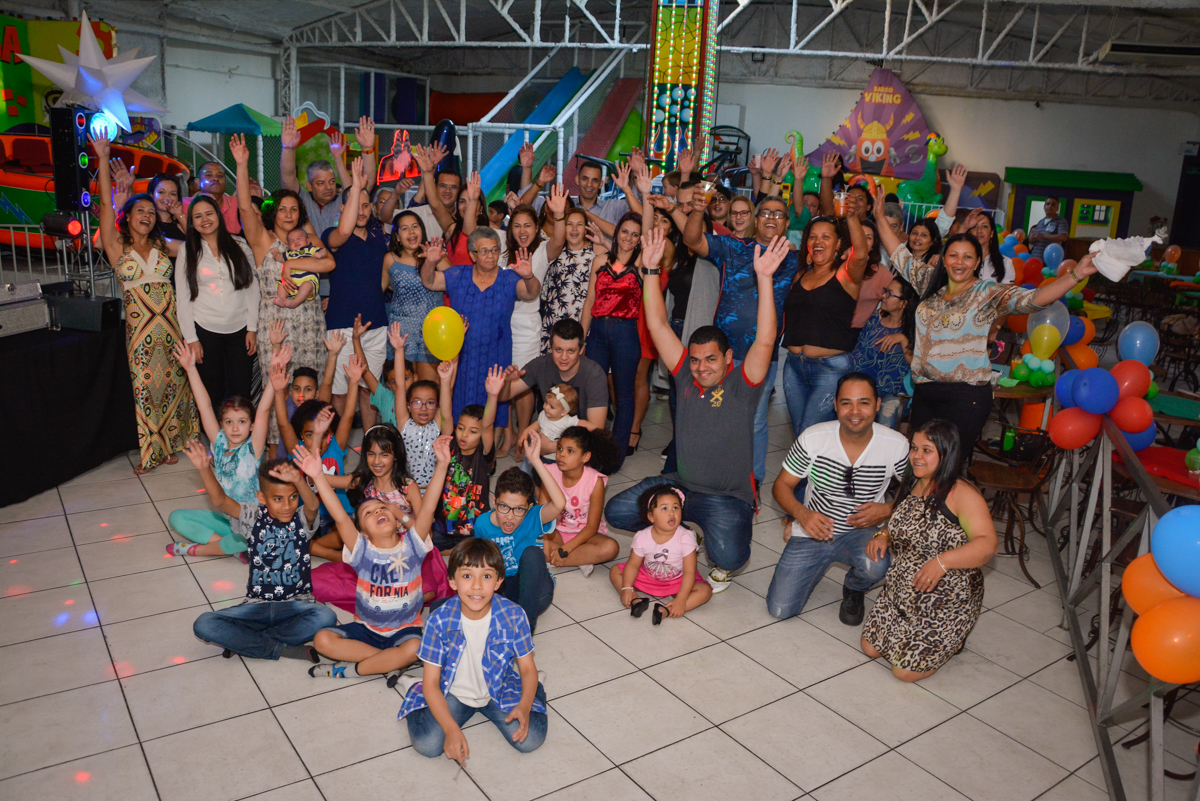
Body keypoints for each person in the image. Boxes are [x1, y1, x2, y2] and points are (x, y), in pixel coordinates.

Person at [606, 229, 789, 592]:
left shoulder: (743, 382)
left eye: (710, 360)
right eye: (694, 360)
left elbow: (766, 339)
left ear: (728, 359)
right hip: (679, 488)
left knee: (731, 557)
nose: (701, 367)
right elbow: (657, 323)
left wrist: (765, 279)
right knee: (618, 512)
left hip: (727, 497)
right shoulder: (685, 378)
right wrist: (651, 272)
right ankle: (685, 530)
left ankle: (706, 537)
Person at [873, 189, 1100, 451]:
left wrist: (1076, 274)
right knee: (922, 462)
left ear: (977, 261)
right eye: (953, 255)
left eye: (967, 256)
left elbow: (1034, 299)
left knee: (950, 468)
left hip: (965, 396)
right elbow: (898, 253)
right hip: (925, 391)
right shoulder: (927, 282)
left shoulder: (986, 293)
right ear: (944, 260)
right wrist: (879, 215)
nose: (959, 262)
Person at [765, 373, 910, 623]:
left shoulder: (896, 445)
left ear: (877, 405)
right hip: (813, 529)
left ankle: (854, 587)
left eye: (864, 402)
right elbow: (780, 486)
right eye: (846, 403)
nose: (855, 411)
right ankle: (805, 547)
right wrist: (802, 515)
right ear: (835, 405)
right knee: (780, 610)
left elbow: (920, 492)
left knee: (877, 564)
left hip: (860, 532)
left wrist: (888, 510)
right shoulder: (814, 437)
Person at [300, 433, 445, 681]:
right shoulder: (362, 550)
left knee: (415, 648)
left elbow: (428, 508)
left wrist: (442, 464)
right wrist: (317, 477)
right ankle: (388, 661)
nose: (378, 510)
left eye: (382, 508)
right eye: (369, 512)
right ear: (363, 532)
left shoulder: (413, 545)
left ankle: (352, 670)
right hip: (366, 629)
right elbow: (340, 517)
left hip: (405, 630)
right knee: (322, 639)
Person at [861, 420, 999, 681]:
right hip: (900, 594)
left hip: (944, 601)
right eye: (914, 448)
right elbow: (903, 518)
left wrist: (943, 562)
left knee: (903, 673)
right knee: (870, 649)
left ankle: (954, 637)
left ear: (946, 454)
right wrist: (883, 534)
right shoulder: (915, 480)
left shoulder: (962, 494)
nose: (916, 456)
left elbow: (988, 543)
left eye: (927, 450)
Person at [679, 186, 799, 484]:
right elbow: (691, 239)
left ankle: (752, 479)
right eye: (766, 213)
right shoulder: (732, 248)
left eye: (779, 214)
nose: (771, 218)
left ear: (786, 224)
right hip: (723, 354)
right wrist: (697, 209)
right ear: (756, 221)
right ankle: (711, 471)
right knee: (716, 414)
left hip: (763, 354)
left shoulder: (794, 259)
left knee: (755, 420)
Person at [93, 133, 196, 474]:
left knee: (174, 386)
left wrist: (179, 215)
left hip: (172, 325)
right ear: (129, 214)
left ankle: (171, 446)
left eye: (152, 212)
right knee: (146, 388)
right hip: (140, 329)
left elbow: (197, 248)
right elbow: (106, 207)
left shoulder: (163, 245)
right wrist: (103, 159)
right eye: (141, 210)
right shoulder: (116, 245)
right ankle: (149, 452)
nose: (148, 215)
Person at [399, 538, 548, 761]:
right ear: (452, 581)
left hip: (497, 689)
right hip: (452, 692)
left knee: (530, 740)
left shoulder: (514, 615)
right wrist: (450, 729)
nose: (477, 585)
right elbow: (431, 683)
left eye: (486, 576)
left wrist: (525, 706)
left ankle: (537, 690)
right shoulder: (439, 620)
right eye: (467, 576)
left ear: (498, 581)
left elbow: (527, 669)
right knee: (427, 745)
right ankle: (413, 688)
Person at [187, 442, 337, 662]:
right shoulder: (252, 517)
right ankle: (280, 648)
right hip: (256, 607)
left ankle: (245, 642)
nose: (287, 505)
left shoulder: (301, 520)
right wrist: (204, 469)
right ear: (262, 498)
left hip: (296, 606)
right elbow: (220, 500)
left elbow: (313, 506)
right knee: (204, 623)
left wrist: (298, 480)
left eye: (293, 497)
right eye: (278, 499)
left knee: (326, 616)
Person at [232, 134, 334, 446]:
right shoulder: (263, 241)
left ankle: (314, 452)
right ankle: (277, 458)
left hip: (311, 323)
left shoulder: (307, 239)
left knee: (309, 389)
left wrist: (293, 264)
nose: (289, 214)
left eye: (294, 209)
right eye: (283, 209)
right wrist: (241, 163)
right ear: (273, 213)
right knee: (278, 387)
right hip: (277, 326)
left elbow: (329, 263)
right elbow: (245, 210)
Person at [166, 343, 281, 558]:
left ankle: (198, 550)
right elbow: (205, 406)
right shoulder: (218, 442)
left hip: (251, 520)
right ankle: (230, 547)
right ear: (222, 423)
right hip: (226, 520)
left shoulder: (252, 448)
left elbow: (263, 410)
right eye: (228, 422)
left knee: (255, 537)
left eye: (242, 421)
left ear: (252, 425)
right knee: (176, 517)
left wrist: (273, 384)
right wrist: (191, 369)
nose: (235, 428)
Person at [421, 227, 541, 426]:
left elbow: (531, 293)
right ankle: (458, 451)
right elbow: (429, 281)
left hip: (496, 354)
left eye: (494, 250)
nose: (491, 255)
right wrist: (430, 262)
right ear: (472, 255)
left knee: (492, 405)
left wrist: (528, 276)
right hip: (463, 355)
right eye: (484, 251)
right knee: (459, 405)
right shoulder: (459, 275)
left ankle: (487, 453)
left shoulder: (508, 279)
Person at [782, 207, 870, 437]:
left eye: (825, 237)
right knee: (803, 436)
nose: (818, 241)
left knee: (807, 437)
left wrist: (851, 216)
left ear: (838, 243)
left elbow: (861, 254)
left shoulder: (845, 275)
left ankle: (805, 475)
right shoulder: (801, 275)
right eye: (812, 236)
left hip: (829, 369)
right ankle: (814, 474)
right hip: (794, 367)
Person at [323, 158, 392, 430]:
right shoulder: (333, 235)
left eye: (365, 205)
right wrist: (356, 184)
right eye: (354, 205)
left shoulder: (380, 239)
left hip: (375, 325)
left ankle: (369, 442)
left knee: (369, 390)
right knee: (340, 392)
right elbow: (343, 230)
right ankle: (340, 443)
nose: (361, 211)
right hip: (340, 326)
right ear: (343, 208)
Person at [473, 433, 565, 631]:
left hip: (533, 587)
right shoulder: (482, 523)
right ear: (494, 501)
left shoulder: (533, 516)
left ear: (529, 507)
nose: (510, 516)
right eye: (503, 507)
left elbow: (559, 503)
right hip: (504, 586)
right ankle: (513, 614)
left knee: (532, 554)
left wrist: (535, 461)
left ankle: (524, 631)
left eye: (519, 510)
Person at [175, 194, 260, 406]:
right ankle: (215, 438)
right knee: (212, 390)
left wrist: (253, 328)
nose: (204, 219)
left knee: (240, 390)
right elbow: (183, 297)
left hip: (240, 329)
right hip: (205, 329)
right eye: (197, 216)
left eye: (209, 213)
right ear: (191, 223)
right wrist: (191, 339)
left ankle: (242, 436)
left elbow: (252, 289)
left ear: (219, 216)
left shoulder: (240, 244)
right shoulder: (187, 250)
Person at [581, 210, 644, 468]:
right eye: (625, 231)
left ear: (640, 239)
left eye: (635, 234)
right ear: (617, 232)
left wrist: (636, 191)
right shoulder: (599, 262)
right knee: (594, 394)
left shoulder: (642, 265)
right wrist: (581, 338)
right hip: (596, 331)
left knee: (624, 396)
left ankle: (614, 456)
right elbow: (588, 303)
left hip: (626, 333)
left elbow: (649, 228)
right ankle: (591, 450)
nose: (628, 237)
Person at [611, 484, 712, 624]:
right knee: (615, 571)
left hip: (678, 580)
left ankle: (666, 610)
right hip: (648, 576)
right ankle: (635, 599)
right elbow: (633, 565)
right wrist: (627, 587)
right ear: (651, 517)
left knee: (705, 591)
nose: (672, 513)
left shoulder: (686, 536)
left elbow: (689, 571)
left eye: (676, 508)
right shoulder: (642, 536)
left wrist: (682, 599)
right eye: (664, 509)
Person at [435, 368, 504, 551]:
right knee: (421, 544)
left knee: (481, 551)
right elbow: (445, 414)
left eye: (473, 431)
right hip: (443, 529)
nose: (464, 434)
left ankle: (456, 552)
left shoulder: (483, 454)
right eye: (461, 428)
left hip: (474, 531)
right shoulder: (451, 446)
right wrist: (444, 381)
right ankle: (452, 551)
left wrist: (492, 395)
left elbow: (488, 424)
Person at [500, 318, 609, 433]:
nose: (564, 357)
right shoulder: (540, 365)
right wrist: (506, 382)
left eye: (571, 351)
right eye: (558, 350)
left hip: (584, 440)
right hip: (552, 431)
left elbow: (597, 432)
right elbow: (504, 396)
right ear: (550, 347)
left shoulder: (594, 375)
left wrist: (554, 445)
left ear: (582, 350)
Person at [539, 426, 621, 577]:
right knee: (532, 541)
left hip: (586, 535)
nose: (561, 455)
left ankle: (554, 559)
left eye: (570, 451)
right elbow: (541, 515)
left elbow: (591, 527)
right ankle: (580, 559)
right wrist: (546, 541)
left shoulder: (594, 481)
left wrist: (566, 549)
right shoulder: (549, 472)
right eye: (560, 448)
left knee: (611, 547)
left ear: (585, 457)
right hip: (555, 531)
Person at [281, 115, 377, 236]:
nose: (328, 187)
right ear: (309, 186)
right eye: (321, 183)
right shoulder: (302, 201)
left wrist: (367, 149)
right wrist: (288, 149)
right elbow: (287, 177)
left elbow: (367, 181)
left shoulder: (344, 201)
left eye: (332, 181)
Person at [383, 209, 445, 383]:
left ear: (422, 230)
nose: (411, 232)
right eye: (405, 228)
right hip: (401, 333)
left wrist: (435, 259)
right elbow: (378, 290)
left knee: (430, 389)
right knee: (402, 389)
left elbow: (455, 280)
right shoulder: (390, 259)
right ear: (397, 236)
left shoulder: (435, 254)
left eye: (415, 226)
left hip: (431, 331)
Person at [851, 278, 917, 429]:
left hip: (893, 392)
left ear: (903, 303)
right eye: (885, 291)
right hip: (864, 385)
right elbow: (858, 350)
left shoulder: (912, 330)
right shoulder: (875, 319)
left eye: (890, 294)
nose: (883, 296)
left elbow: (915, 364)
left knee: (885, 425)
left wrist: (902, 340)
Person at [539, 205, 595, 352]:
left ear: (586, 229)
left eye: (579, 224)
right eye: (569, 224)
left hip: (582, 323)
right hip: (553, 321)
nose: (574, 229)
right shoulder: (554, 249)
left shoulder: (596, 252)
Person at [523, 383, 578, 461]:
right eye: (546, 403)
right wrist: (525, 432)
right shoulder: (544, 414)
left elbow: (584, 425)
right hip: (539, 452)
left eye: (551, 407)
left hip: (557, 459)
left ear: (564, 412)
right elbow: (538, 423)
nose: (546, 407)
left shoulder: (568, 421)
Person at [183, 161, 241, 234]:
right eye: (209, 175)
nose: (215, 179)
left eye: (220, 176)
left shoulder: (236, 203)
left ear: (225, 182)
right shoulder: (185, 204)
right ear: (198, 182)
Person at [274, 227, 323, 309]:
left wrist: (320, 254)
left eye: (299, 239)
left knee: (306, 285)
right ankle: (282, 299)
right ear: (288, 245)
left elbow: (324, 251)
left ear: (307, 241)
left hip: (308, 281)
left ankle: (295, 302)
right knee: (282, 284)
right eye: (291, 241)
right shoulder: (290, 253)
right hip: (292, 283)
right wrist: (276, 254)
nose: (295, 242)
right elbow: (280, 258)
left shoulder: (310, 250)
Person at [148, 173, 187, 250]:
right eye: (161, 192)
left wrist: (179, 215)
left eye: (173, 194)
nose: (167, 197)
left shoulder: (181, 225)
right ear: (151, 194)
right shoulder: (147, 223)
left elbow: (199, 243)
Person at [1027, 197, 1069, 262]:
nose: (1050, 206)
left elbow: (1063, 237)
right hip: (1035, 259)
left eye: (1053, 204)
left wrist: (1043, 236)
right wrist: (1032, 238)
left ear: (1057, 208)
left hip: (1049, 261)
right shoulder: (1040, 222)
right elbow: (1031, 241)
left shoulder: (1061, 221)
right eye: (1048, 204)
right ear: (1044, 206)